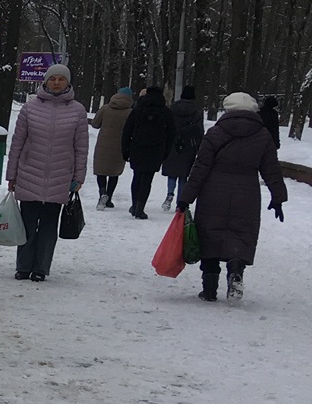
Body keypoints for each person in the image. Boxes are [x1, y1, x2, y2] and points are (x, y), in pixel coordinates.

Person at [179, 92, 287, 303]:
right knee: (240, 234)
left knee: (209, 236)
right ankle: (236, 270)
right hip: (246, 194)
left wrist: (186, 198)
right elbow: (272, 170)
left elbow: (200, 168)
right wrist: (278, 197)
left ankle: (209, 288)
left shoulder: (215, 133)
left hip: (213, 192)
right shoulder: (263, 135)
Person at [5, 61, 88, 281]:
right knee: (27, 224)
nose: (57, 82)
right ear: (46, 81)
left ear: (67, 82)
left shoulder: (78, 111)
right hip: (29, 174)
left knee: (49, 228)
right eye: (53, 78)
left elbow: (81, 147)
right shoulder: (30, 108)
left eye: (61, 79)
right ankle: (23, 267)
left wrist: (79, 176)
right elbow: (17, 143)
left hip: (60, 178)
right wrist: (11, 175)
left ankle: (41, 268)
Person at [120, 85, 176, 218]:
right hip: (156, 149)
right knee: (147, 178)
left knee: (137, 176)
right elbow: (171, 133)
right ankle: (140, 207)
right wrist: (166, 151)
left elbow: (127, 130)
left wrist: (125, 149)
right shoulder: (165, 111)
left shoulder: (137, 109)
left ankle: (134, 206)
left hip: (137, 147)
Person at [88, 86, 134, 209]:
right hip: (120, 145)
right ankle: (109, 198)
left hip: (104, 143)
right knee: (114, 173)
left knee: (101, 171)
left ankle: (102, 192)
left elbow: (95, 124)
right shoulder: (130, 112)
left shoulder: (105, 108)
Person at [161, 85, 204, 211]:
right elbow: (199, 131)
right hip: (189, 144)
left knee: (172, 172)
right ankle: (180, 201)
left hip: (173, 143)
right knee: (184, 175)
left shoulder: (172, 108)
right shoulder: (197, 111)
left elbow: (167, 125)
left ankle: (169, 194)